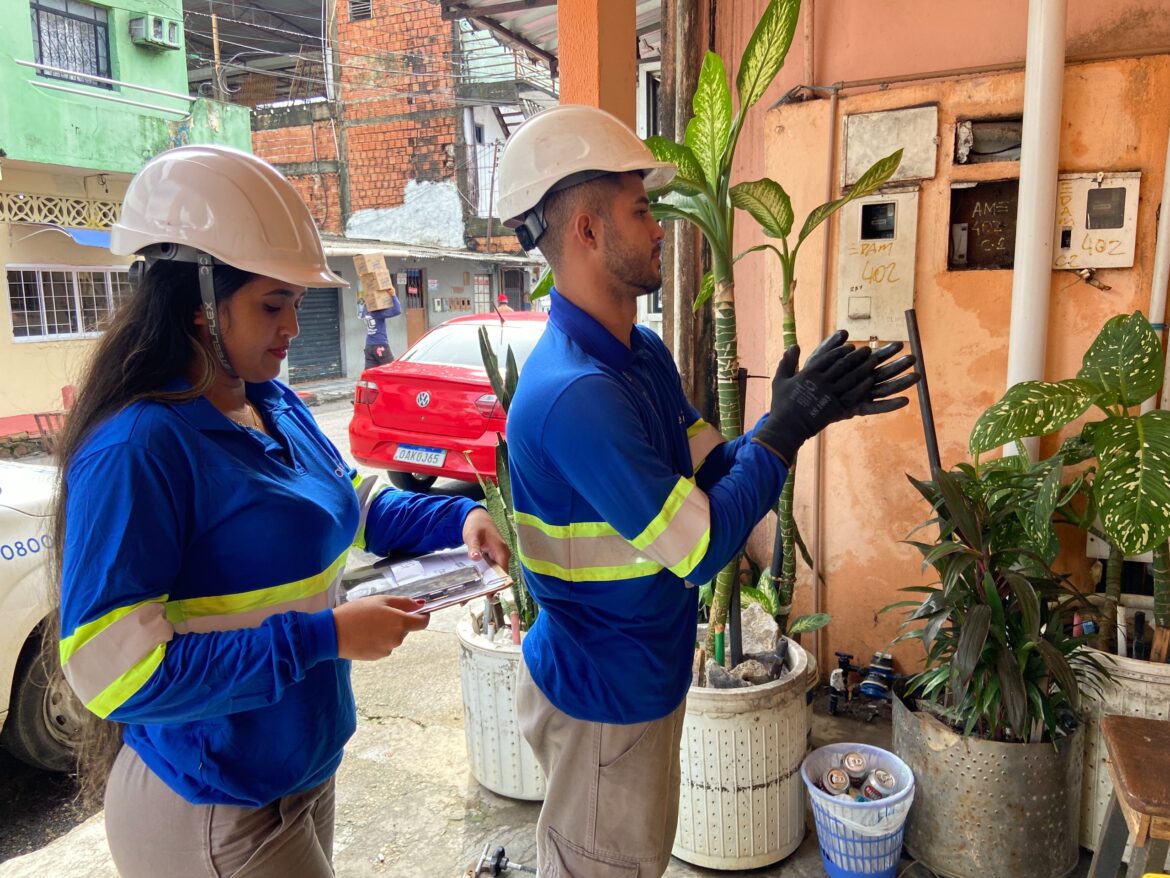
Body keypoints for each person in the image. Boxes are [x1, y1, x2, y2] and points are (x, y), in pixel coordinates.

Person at [51, 144, 509, 878]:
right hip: (213, 801)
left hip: (297, 771)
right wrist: (322, 638)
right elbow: (112, 674)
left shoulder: (272, 403)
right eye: (273, 304)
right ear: (200, 301)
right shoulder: (140, 448)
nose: (293, 327)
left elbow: (350, 507)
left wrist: (457, 522)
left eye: (297, 303)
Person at [495, 104, 920, 877]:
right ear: (587, 231)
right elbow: (699, 548)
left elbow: (713, 472)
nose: (660, 226)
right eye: (641, 208)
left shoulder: (640, 354)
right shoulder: (575, 394)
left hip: (638, 683)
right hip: (602, 703)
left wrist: (789, 419)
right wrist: (785, 434)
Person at [361, 292, 401, 367]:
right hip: (380, 345)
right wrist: (393, 295)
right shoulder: (377, 313)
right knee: (390, 370)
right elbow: (397, 310)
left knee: (371, 374)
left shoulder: (365, 311)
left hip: (369, 346)